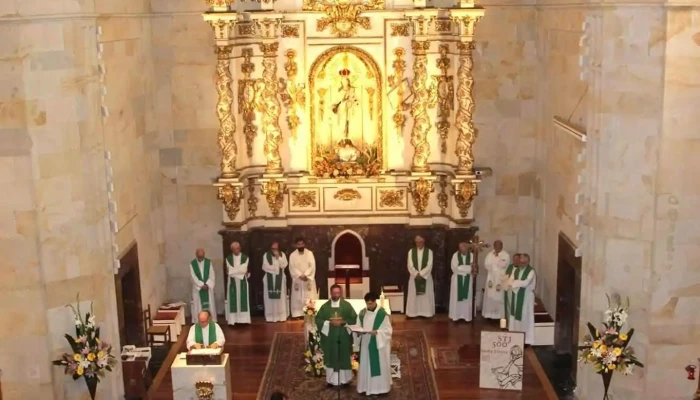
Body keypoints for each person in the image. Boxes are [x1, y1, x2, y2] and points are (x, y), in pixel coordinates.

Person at [315, 284, 357, 387]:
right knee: (331, 355)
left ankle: (345, 380)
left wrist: (344, 322)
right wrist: (329, 323)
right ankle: (331, 380)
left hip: (343, 337)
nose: (336, 295)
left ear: (341, 293)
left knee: (343, 356)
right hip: (330, 338)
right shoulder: (325, 307)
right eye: (334, 293)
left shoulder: (347, 306)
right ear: (331, 293)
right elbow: (318, 320)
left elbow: (354, 319)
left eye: (338, 293)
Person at [355, 291, 392, 396]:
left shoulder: (382, 314)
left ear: (375, 302)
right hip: (366, 343)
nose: (368, 306)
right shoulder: (362, 313)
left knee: (378, 365)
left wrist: (377, 332)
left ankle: (380, 389)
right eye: (367, 303)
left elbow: (388, 331)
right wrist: (357, 331)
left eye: (370, 303)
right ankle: (365, 387)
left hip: (378, 345)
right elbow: (358, 325)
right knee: (366, 364)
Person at [506, 253, 536, 345]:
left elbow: (526, 283)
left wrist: (515, 283)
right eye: (521, 261)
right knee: (515, 316)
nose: (522, 263)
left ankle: (526, 340)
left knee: (525, 317)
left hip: (526, 297)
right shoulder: (516, 270)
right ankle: (515, 336)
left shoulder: (531, 271)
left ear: (527, 261)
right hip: (516, 295)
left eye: (524, 262)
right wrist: (516, 282)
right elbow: (510, 280)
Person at [406, 235, 435, 318]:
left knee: (425, 296)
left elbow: (430, 265)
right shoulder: (411, 251)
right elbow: (409, 265)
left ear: (424, 241)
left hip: (426, 277)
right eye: (417, 242)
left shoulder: (429, 252)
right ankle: (413, 313)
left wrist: (421, 274)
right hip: (414, 277)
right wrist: (416, 274)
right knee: (414, 295)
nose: (418, 243)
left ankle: (426, 312)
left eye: (420, 242)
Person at [482, 240, 511, 320]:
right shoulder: (490, 254)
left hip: (500, 278)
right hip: (491, 277)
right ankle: (489, 315)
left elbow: (503, 265)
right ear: (494, 246)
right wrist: (495, 263)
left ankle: (499, 315)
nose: (497, 247)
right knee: (490, 295)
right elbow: (487, 264)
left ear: (502, 246)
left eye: (499, 246)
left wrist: (496, 260)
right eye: (496, 246)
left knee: (499, 296)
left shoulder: (506, 255)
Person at [289, 237, 317, 318]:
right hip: (298, 279)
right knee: (297, 296)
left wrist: (306, 275)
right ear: (296, 245)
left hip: (307, 279)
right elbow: (292, 267)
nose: (300, 246)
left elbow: (312, 266)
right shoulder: (292, 255)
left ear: (304, 244)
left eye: (302, 244)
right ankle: (297, 313)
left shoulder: (310, 254)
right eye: (298, 244)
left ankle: (309, 312)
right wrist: (300, 275)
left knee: (309, 296)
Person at [262, 241, 289, 322]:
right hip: (269, 279)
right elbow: (265, 266)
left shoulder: (282, 255)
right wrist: (276, 269)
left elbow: (284, 265)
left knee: (280, 298)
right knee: (269, 299)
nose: (274, 251)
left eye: (276, 249)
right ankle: (271, 317)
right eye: (273, 249)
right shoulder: (266, 255)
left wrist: (278, 258)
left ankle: (281, 316)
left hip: (279, 280)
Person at [449, 241, 476, 322]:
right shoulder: (455, 255)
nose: (462, 249)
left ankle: (466, 316)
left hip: (468, 279)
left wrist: (462, 268)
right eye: (460, 247)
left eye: (464, 246)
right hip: (457, 279)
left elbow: (473, 268)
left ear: (467, 247)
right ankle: (456, 316)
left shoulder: (471, 256)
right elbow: (454, 268)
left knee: (467, 298)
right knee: (456, 297)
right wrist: (467, 268)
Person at [225, 242, 251, 325]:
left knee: (242, 300)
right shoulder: (228, 259)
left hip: (242, 281)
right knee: (234, 301)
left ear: (240, 248)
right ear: (232, 249)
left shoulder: (245, 258)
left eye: (237, 248)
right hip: (232, 282)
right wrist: (239, 271)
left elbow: (244, 270)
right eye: (234, 249)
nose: (236, 250)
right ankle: (233, 320)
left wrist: (234, 271)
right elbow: (229, 271)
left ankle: (244, 320)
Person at [190, 248, 217, 319]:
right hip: (198, 289)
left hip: (208, 288)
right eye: (199, 257)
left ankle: (211, 321)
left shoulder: (208, 262)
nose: (201, 259)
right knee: (198, 307)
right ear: (196, 255)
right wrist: (201, 285)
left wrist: (207, 284)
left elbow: (212, 274)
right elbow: (193, 276)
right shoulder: (192, 264)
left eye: (202, 257)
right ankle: (199, 321)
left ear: (204, 255)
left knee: (210, 306)